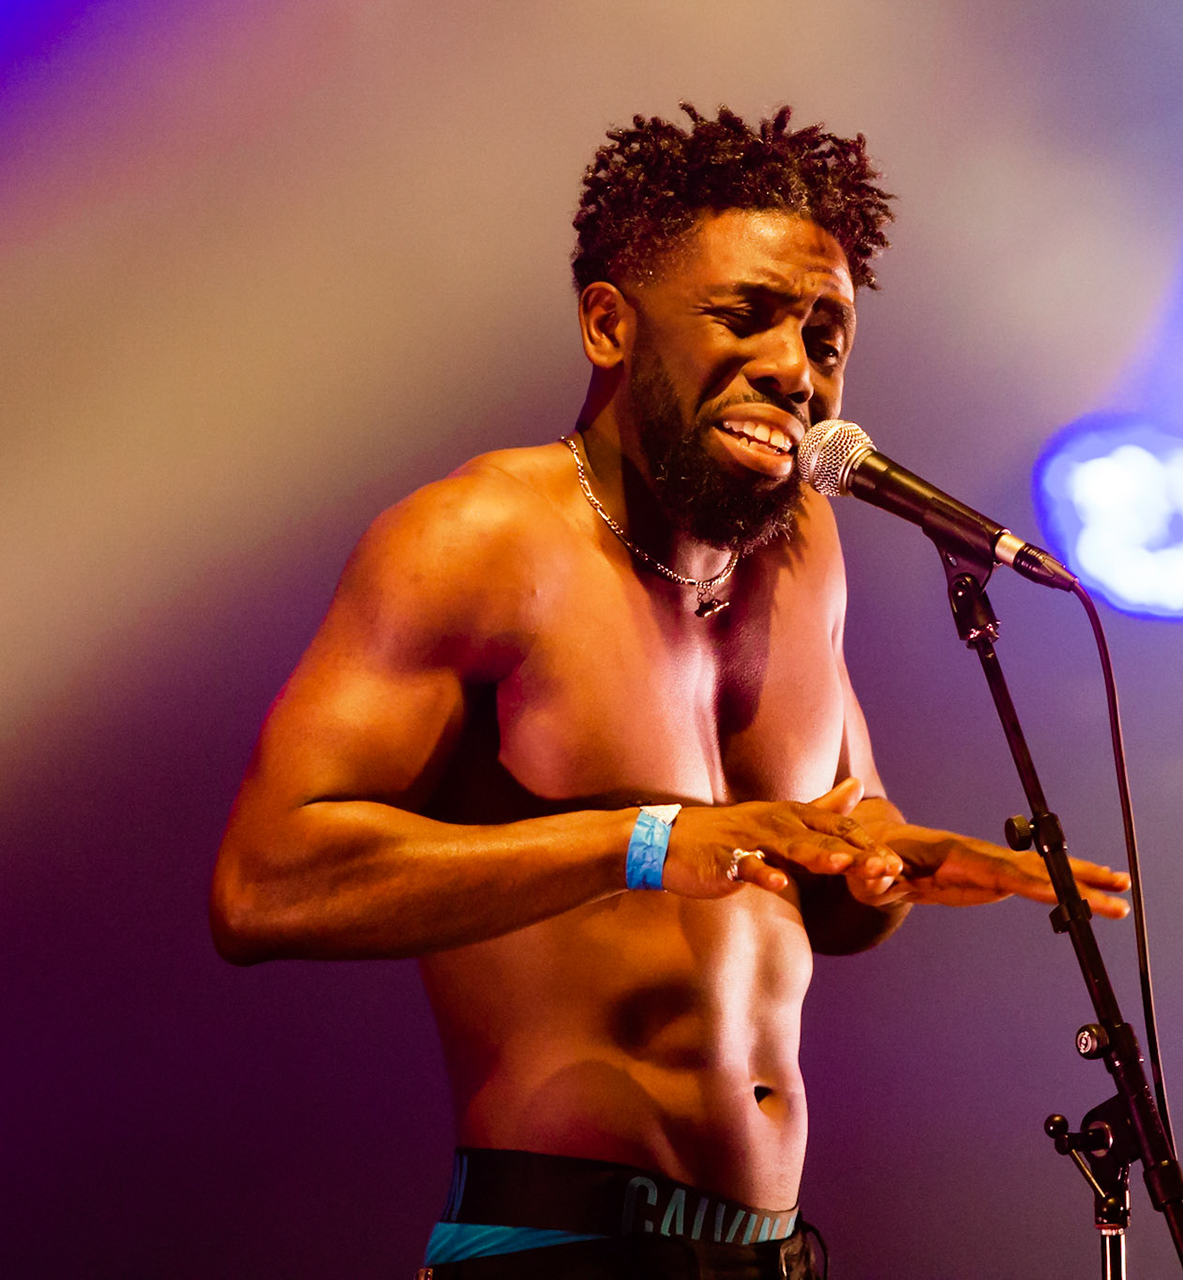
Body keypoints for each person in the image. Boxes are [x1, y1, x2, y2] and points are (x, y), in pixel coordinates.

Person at [209, 104, 1131, 1280]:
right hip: (559, 1244)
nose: (797, 371)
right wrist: (649, 839)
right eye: (745, 316)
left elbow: (840, 875)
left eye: (826, 335)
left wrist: (903, 866)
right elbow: (261, 885)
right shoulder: (478, 538)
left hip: (775, 1250)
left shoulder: (806, 552)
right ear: (609, 323)